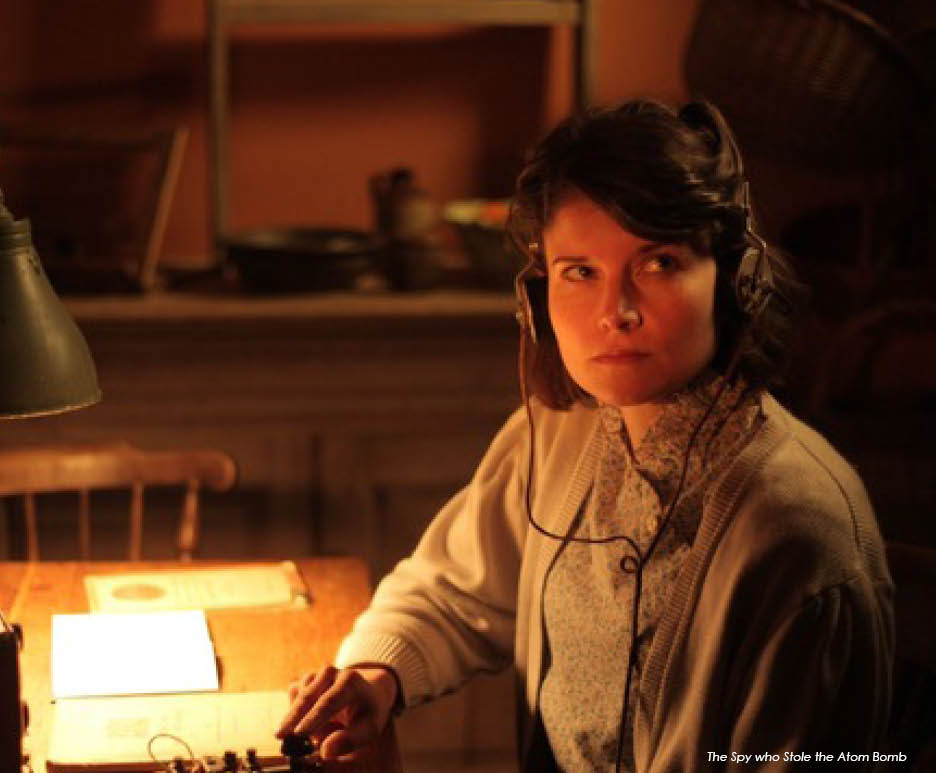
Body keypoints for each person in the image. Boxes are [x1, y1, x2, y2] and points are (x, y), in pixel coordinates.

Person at [276, 100, 894, 771]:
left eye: (658, 263)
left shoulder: (795, 532)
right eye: (581, 272)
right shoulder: (557, 434)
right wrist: (375, 673)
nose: (614, 312)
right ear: (537, 294)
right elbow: (451, 591)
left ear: (733, 281)